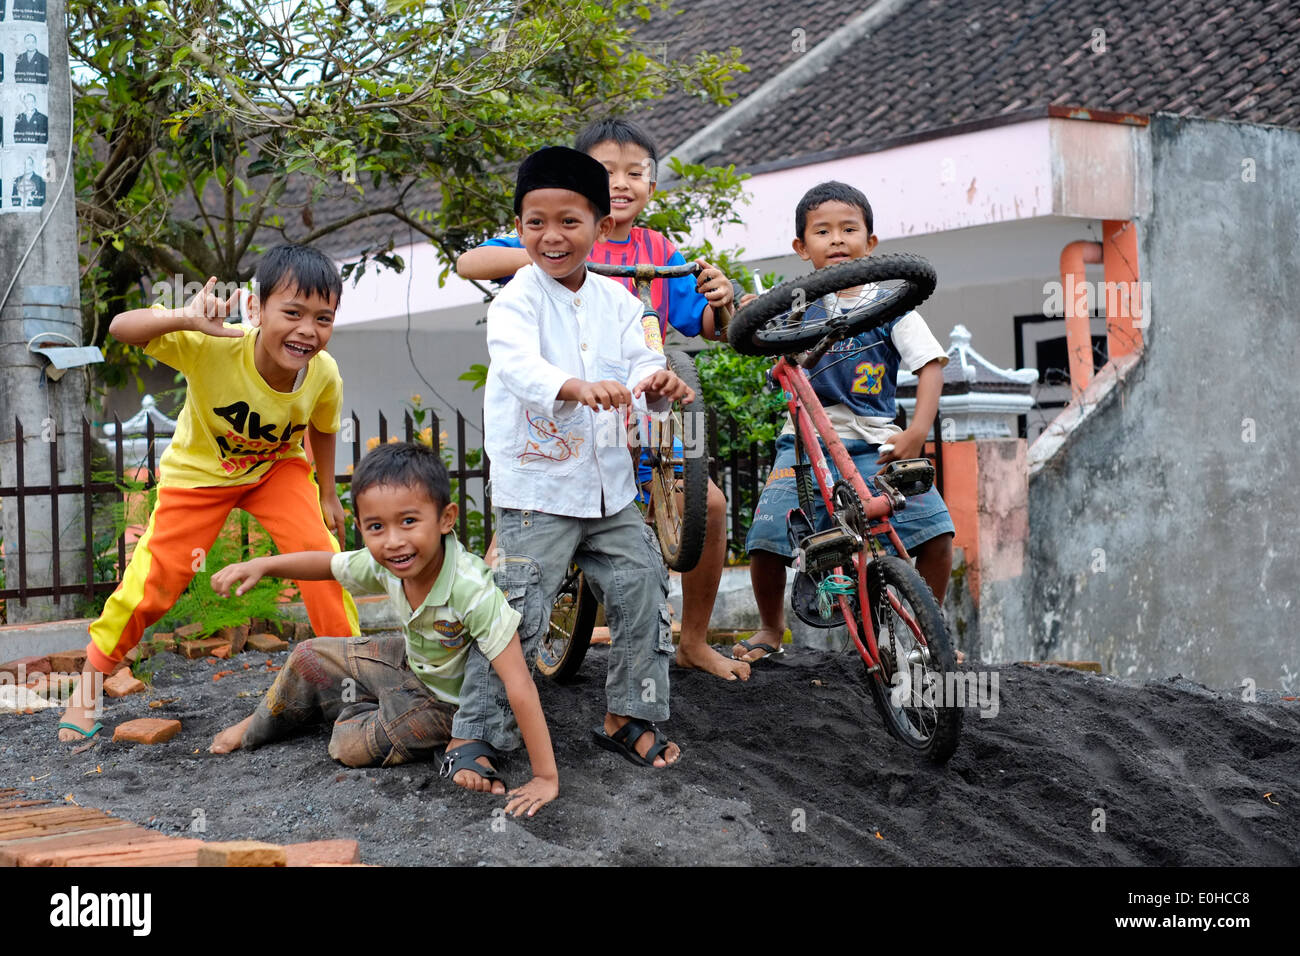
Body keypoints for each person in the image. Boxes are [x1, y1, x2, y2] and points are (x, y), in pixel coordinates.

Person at [457, 118, 748, 682]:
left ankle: (691, 640)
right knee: (513, 553)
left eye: (634, 172)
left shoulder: (660, 250)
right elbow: (472, 263)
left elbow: (709, 325)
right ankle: (471, 654)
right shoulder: (547, 236)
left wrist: (721, 297)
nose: (621, 181)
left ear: (649, 188)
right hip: (559, 427)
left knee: (708, 506)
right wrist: (554, 249)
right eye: (606, 170)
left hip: (635, 408)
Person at [56, 244, 360, 742]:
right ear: (256, 310)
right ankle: (89, 684)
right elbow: (120, 328)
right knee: (155, 579)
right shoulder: (213, 344)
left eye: (322, 318)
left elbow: (323, 428)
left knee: (323, 562)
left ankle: (354, 683)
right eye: (292, 313)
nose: (308, 329)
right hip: (201, 474)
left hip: (275, 470)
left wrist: (327, 494)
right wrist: (184, 317)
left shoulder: (323, 372)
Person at [474, 144, 694, 769]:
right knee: (515, 608)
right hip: (537, 493)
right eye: (535, 221)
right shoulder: (516, 298)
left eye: (569, 221)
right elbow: (518, 367)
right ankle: (479, 732)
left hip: (610, 492)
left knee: (644, 585)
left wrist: (657, 381)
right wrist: (574, 387)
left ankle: (629, 715)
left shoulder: (622, 303)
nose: (551, 235)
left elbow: (646, 355)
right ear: (518, 228)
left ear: (600, 227)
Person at [209, 442, 559, 817]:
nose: (393, 540)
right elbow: (327, 564)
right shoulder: (384, 561)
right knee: (307, 654)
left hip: (450, 705)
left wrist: (545, 776)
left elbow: (518, 684)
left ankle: (381, 715)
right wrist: (264, 564)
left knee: (348, 747)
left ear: (446, 518)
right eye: (376, 527)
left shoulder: (470, 589)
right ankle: (263, 721)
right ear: (361, 527)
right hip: (411, 664)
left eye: (409, 521)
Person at [736, 181, 957, 663]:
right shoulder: (794, 308)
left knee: (937, 533)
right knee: (767, 538)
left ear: (870, 243)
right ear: (801, 247)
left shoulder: (890, 305)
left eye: (848, 229)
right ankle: (771, 629)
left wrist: (917, 431)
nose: (836, 239)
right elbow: (754, 330)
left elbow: (931, 365)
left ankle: (929, 632)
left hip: (874, 442)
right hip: (803, 443)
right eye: (822, 231)